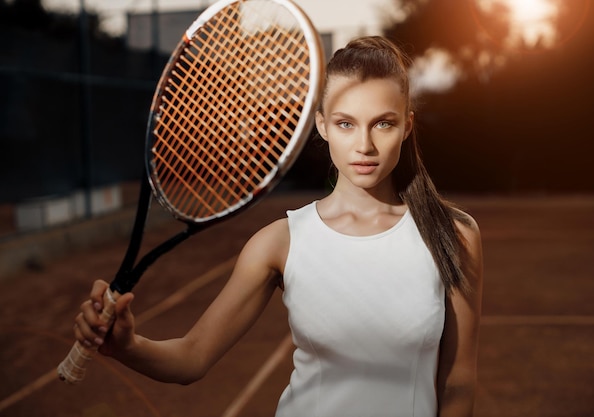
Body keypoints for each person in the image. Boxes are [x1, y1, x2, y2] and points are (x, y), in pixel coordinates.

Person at [74, 35, 483, 417]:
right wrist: (127, 346)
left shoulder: (453, 235)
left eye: (383, 123)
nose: (364, 145)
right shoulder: (279, 243)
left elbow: (458, 383)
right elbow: (191, 356)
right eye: (345, 123)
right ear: (321, 125)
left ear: (407, 126)